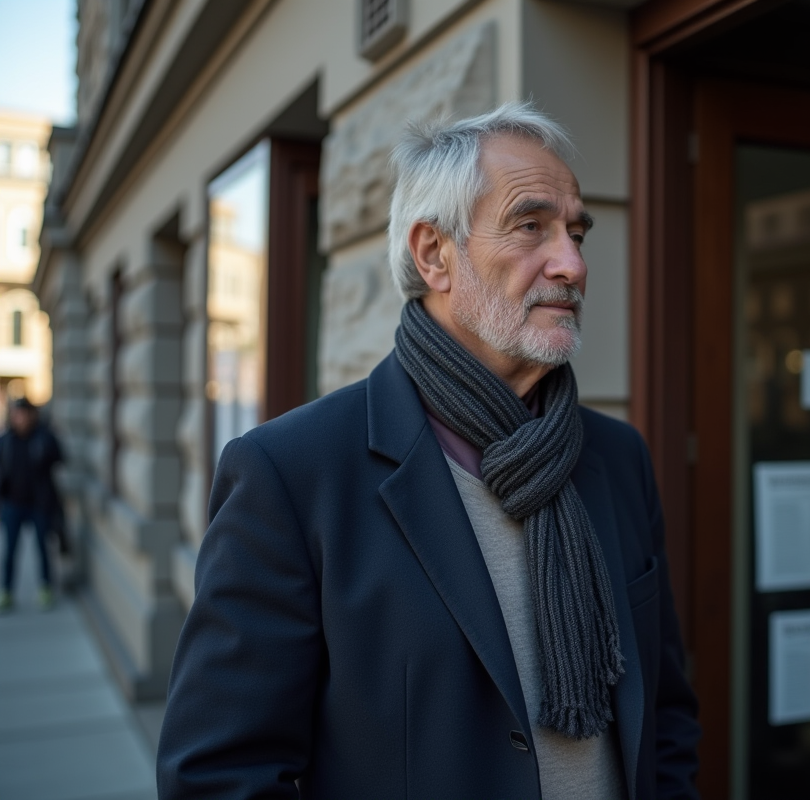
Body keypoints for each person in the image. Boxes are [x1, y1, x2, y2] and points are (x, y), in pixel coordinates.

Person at [157, 103, 701, 798]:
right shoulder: (293, 475)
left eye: (576, 233)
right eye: (531, 226)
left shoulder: (618, 458)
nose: (571, 264)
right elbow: (219, 775)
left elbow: (666, 717)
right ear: (434, 254)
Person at [0, 397, 64, 611]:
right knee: (10, 551)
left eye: (23, 414)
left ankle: (46, 588)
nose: (20, 419)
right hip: (13, 504)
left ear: (31, 415)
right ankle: (7, 591)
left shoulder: (43, 437)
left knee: (42, 548)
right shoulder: (6, 440)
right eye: (16, 415)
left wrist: (48, 443)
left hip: (39, 503)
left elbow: (60, 457)